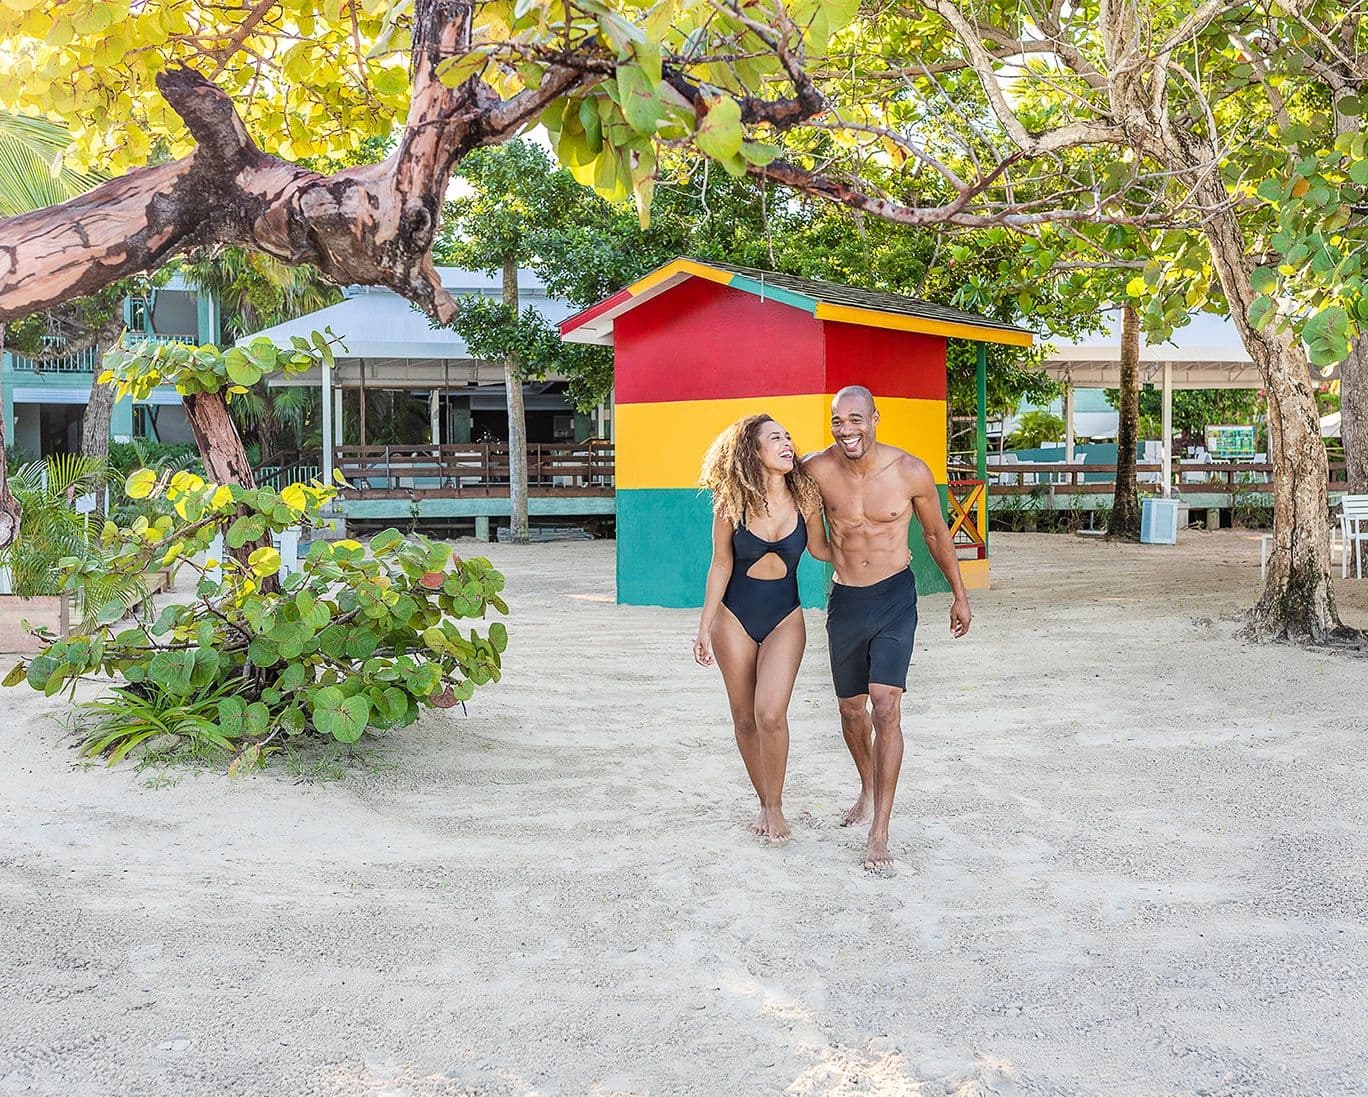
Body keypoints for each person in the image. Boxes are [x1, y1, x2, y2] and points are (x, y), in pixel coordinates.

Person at [804, 385, 973, 872]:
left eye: (855, 419)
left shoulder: (910, 471)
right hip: (846, 600)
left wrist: (959, 594)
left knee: (885, 705)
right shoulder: (816, 470)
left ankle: (880, 828)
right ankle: (868, 785)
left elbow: (936, 534)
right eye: (838, 421)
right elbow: (795, 518)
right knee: (850, 710)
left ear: (875, 418)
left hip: (895, 597)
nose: (846, 430)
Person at [694, 414, 831, 843]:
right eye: (775, 438)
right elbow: (721, 563)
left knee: (770, 714)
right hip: (733, 617)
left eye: (788, 436)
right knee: (744, 718)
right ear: (753, 451)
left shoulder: (805, 496)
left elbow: (821, 548)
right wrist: (703, 627)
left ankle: (776, 804)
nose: (787, 443)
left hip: (785, 617)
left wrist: (875, 549)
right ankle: (766, 802)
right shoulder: (731, 502)